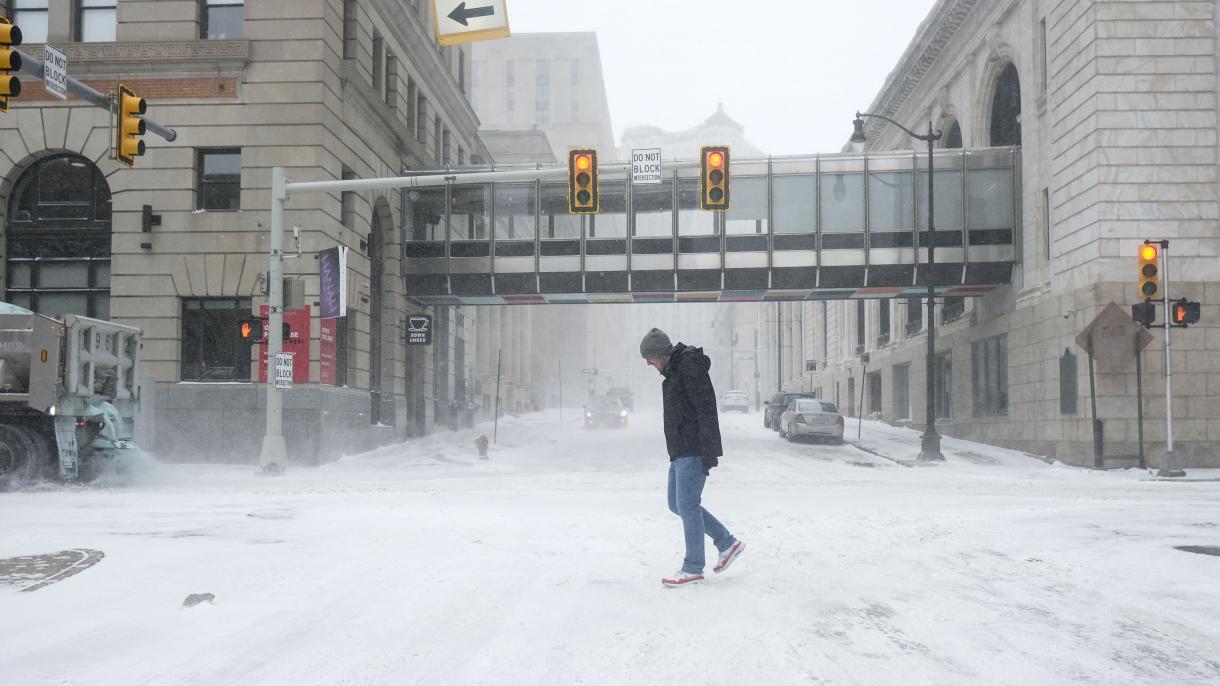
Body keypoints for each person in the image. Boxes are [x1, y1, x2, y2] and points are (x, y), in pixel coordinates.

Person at [639, 327, 745, 587]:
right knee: (678, 505)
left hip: (693, 448)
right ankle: (727, 543)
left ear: (660, 354)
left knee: (686, 504)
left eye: (649, 357)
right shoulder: (675, 371)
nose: (648, 363)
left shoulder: (688, 368)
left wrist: (708, 452)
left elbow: (706, 409)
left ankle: (693, 567)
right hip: (680, 450)